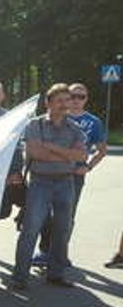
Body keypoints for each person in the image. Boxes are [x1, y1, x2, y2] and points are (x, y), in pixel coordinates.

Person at [10, 84, 86, 290]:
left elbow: (80, 156)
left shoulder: (75, 129)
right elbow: (35, 153)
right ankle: (19, 277)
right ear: (48, 103)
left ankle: (56, 274)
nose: (64, 104)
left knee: (62, 229)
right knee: (31, 228)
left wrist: (51, 147)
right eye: (59, 100)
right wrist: (66, 153)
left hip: (66, 182)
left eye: (67, 100)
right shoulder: (35, 125)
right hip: (40, 182)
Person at [37, 82, 107, 261]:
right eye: (72, 96)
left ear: (86, 100)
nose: (76, 100)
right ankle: (44, 251)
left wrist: (88, 166)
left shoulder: (94, 122)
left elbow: (102, 150)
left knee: (67, 216)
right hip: (47, 173)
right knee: (44, 214)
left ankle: (59, 254)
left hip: (74, 175)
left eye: (81, 97)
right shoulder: (53, 116)